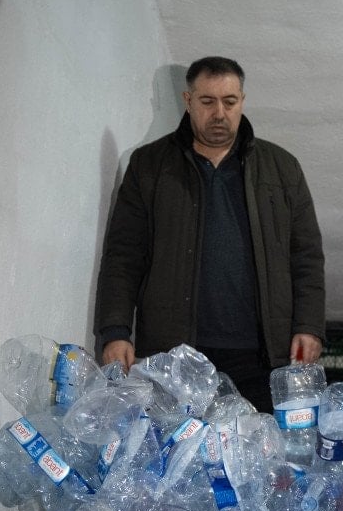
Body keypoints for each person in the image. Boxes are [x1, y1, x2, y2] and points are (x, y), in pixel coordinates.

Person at [94, 56, 326, 413]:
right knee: (179, 446)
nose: (219, 113)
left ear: (242, 101)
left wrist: (309, 326)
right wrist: (115, 331)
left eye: (229, 102)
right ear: (188, 101)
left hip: (262, 356)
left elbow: (305, 256)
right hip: (176, 357)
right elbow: (124, 255)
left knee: (259, 445)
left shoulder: (281, 168)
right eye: (207, 101)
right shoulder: (150, 166)